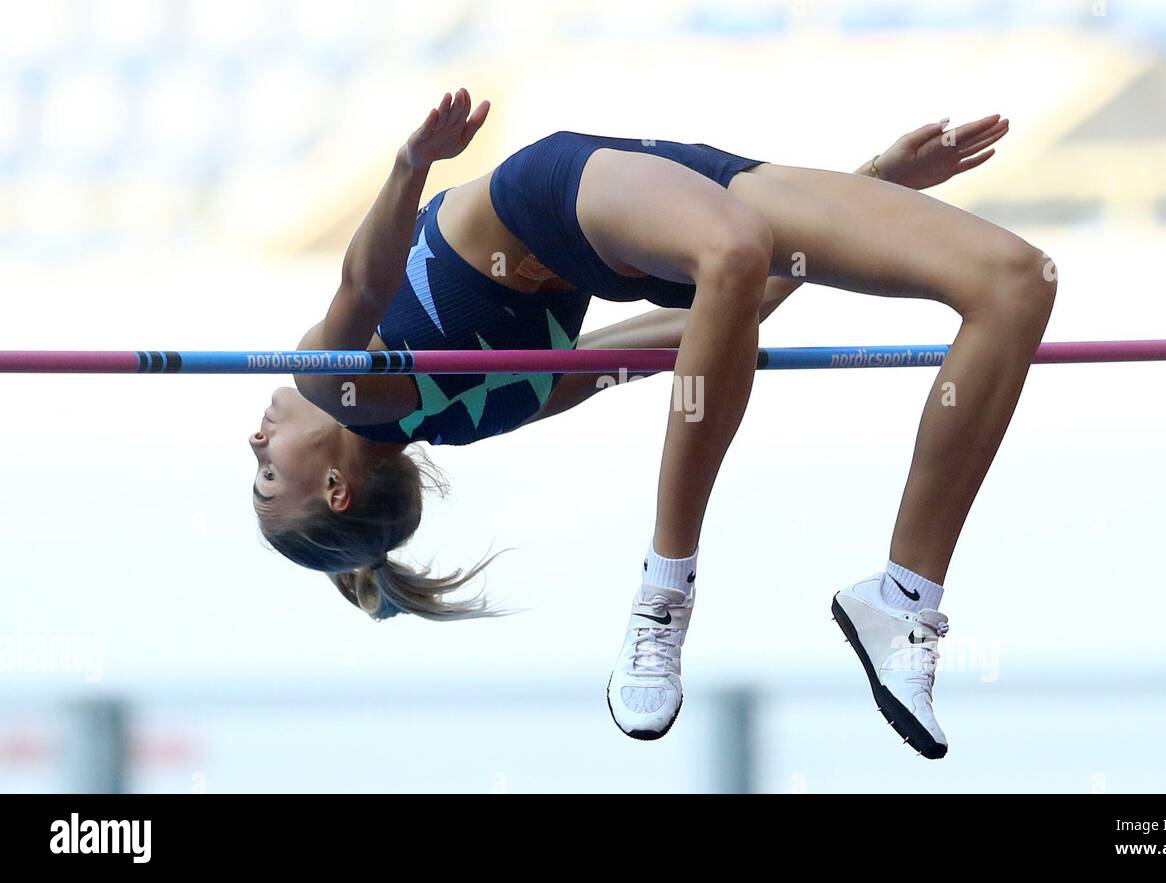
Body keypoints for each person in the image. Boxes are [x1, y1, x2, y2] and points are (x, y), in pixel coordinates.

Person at [251, 88, 1052, 758]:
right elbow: (697, 333)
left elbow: (737, 303)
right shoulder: (370, 394)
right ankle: (677, 592)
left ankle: (901, 592)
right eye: (266, 476)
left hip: (593, 190)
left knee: (1015, 281)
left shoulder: (395, 388)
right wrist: (408, 165)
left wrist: (878, 179)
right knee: (751, 253)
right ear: (336, 487)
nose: (255, 442)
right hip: (650, 227)